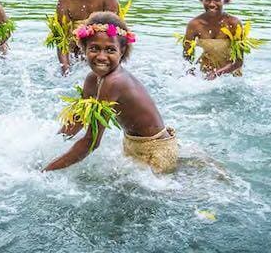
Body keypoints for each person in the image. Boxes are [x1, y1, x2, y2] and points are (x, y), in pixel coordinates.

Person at [43, 12, 178, 174]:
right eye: (94, 48)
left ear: (122, 52)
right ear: (83, 48)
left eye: (110, 50)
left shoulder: (114, 82)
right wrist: (51, 145)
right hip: (133, 144)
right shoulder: (92, 79)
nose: (101, 57)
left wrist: (46, 171)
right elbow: (79, 120)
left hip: (157, 152)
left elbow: (91, 141)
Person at [180, 0, 259, 79]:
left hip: (230, 78)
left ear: (225, 0)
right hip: (204, 75)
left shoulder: (234, 24)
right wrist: (190, 75)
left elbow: (238, 62)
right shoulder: (194, 25)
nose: (212, 4)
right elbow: (187, 59)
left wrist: (216, 74)